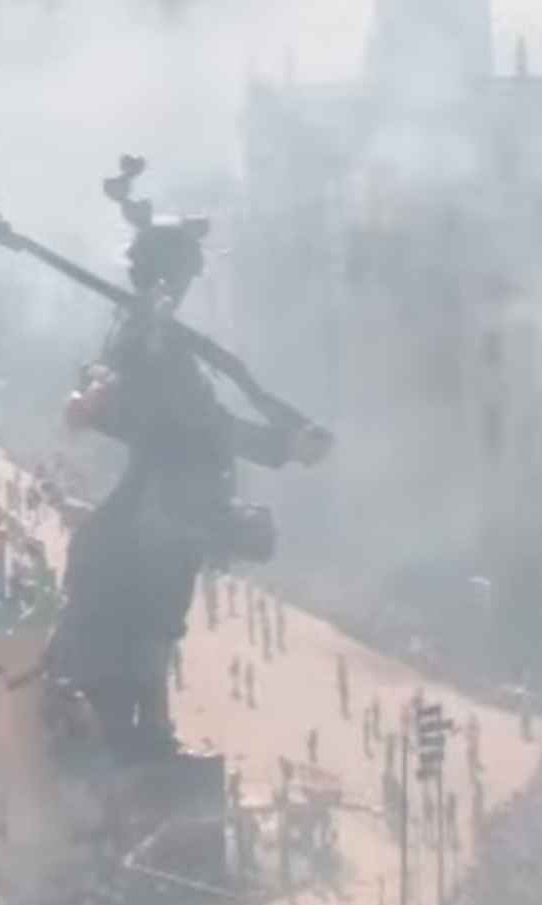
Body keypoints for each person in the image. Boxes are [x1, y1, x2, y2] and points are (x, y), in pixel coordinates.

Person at [45, 169, 329, 760]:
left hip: (182, 491)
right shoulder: (144, 332)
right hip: (163, 478)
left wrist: (284, 446)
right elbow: (118, 390)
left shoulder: (162, 343)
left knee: (147, 606)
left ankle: (141, 718)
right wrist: (98, 394)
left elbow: (205, 423)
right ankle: (106, 703)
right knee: (104, 563)